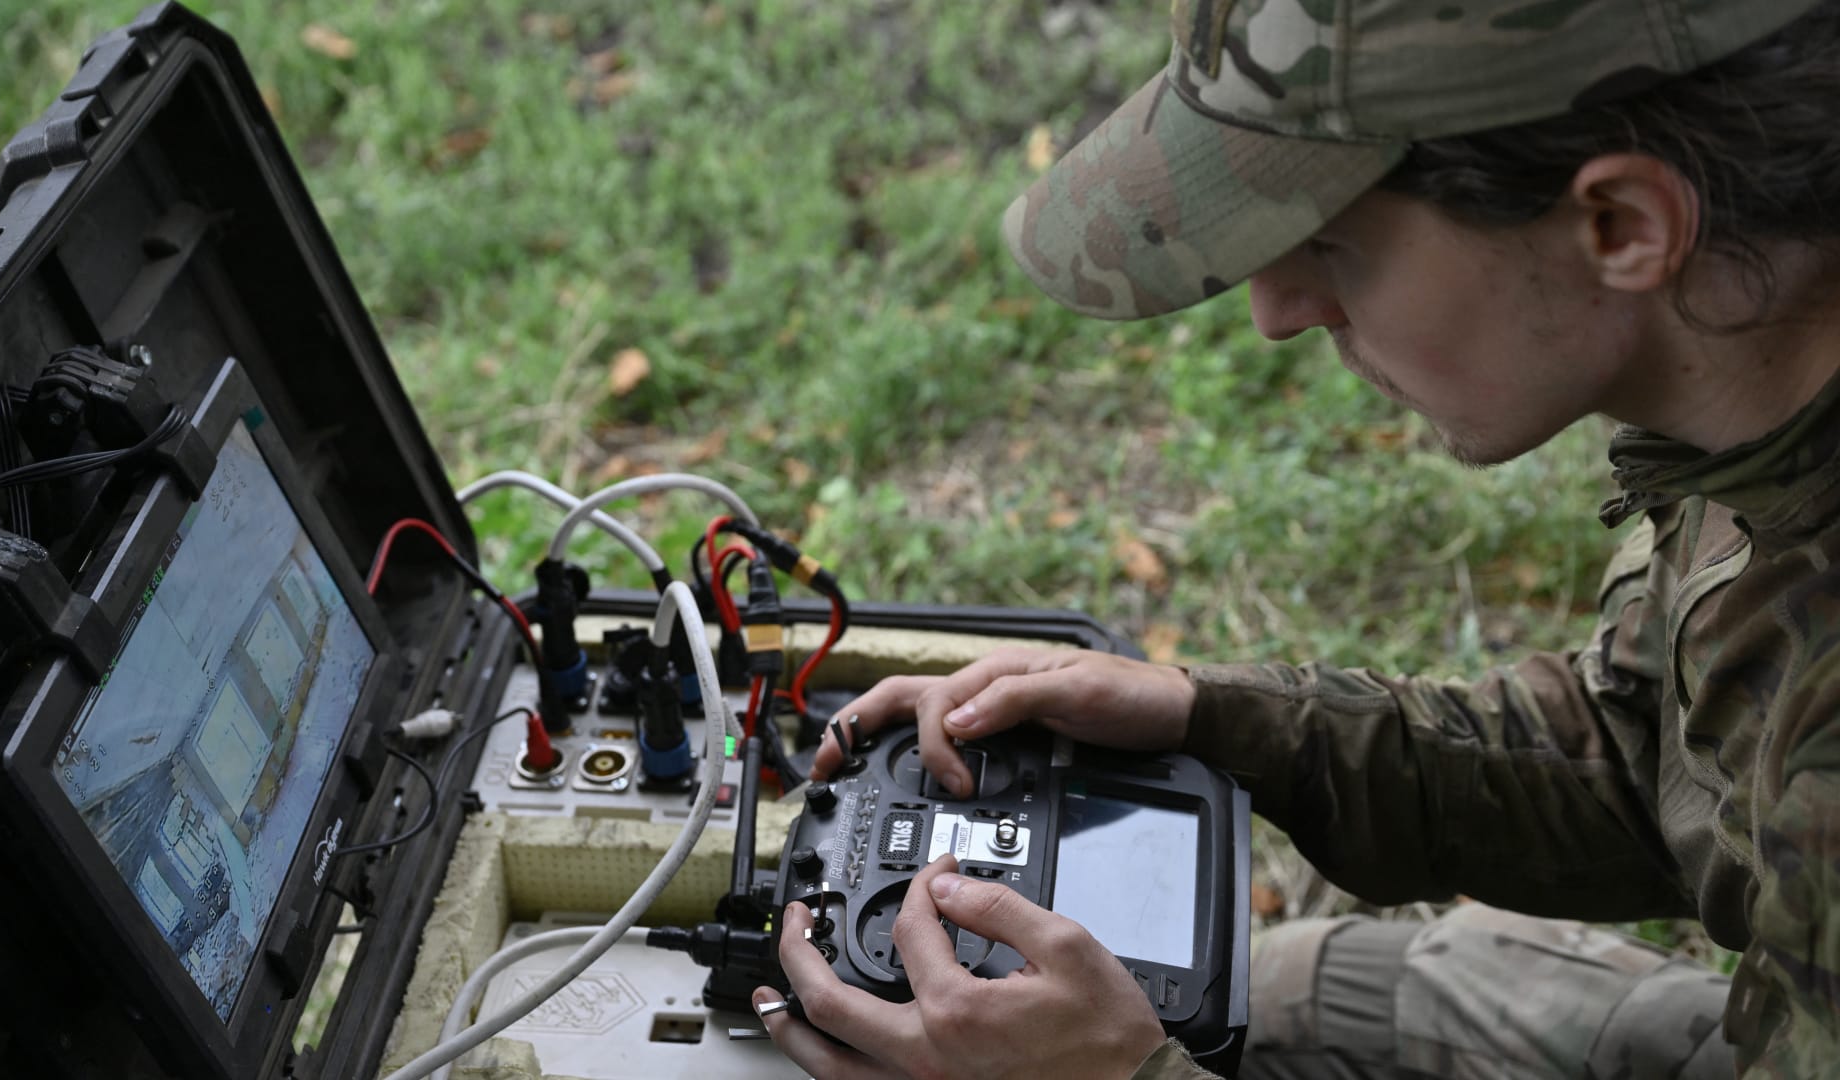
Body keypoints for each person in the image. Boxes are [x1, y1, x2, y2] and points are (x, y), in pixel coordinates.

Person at [749, 0, 1840, 1077]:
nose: (1276, 309)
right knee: (1285, 1000)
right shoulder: (1746, 419)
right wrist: (1219, 720)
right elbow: (1644, 760)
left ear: (1622, 227)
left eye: (1326, 243)